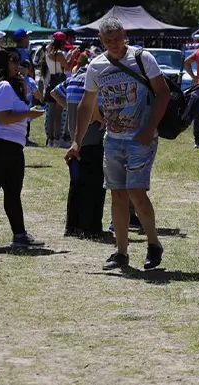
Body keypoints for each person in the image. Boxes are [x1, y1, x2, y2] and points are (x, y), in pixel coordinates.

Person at [65, 17, 170, 271]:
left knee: (136, 192)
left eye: (117, 38)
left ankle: (153, 244)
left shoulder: (142, 58)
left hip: (140, 138)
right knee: (117, 194)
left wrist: (149, 129)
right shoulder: (96, 66)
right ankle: (121, 252)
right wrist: (76, 142)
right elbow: (86, 105)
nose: (113, 44)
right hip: (112, 139)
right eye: (107, 40)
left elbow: (163, 93)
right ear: (101, 40)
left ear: (125, 34)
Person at [0, 47, 47, 248]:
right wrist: (29, 114)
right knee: (9, 191)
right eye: (13, 61)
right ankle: (19, 236)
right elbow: (4, 118)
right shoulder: (2, 86)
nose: (17, 65)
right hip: (4, 146)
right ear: (3, 63)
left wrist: (21, 88)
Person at [52, 57, 108, 238]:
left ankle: (73, 226)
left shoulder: (73, 79)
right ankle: (91, 227)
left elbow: (54, 92)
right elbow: (91, 100)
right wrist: (98, 115)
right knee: (95, 185)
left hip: (75, 141)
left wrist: (70, 109)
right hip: (92, 138)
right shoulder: (94, 80)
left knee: (76, 184)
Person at [42, 32, 70, 147]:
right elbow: (67, 66)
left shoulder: (48, 51)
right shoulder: (59, 54)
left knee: (51, 114)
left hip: (51, 82)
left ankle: (50, 139)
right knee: (58, 114)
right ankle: (57, 139)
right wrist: (72, 55)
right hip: (59, 81)